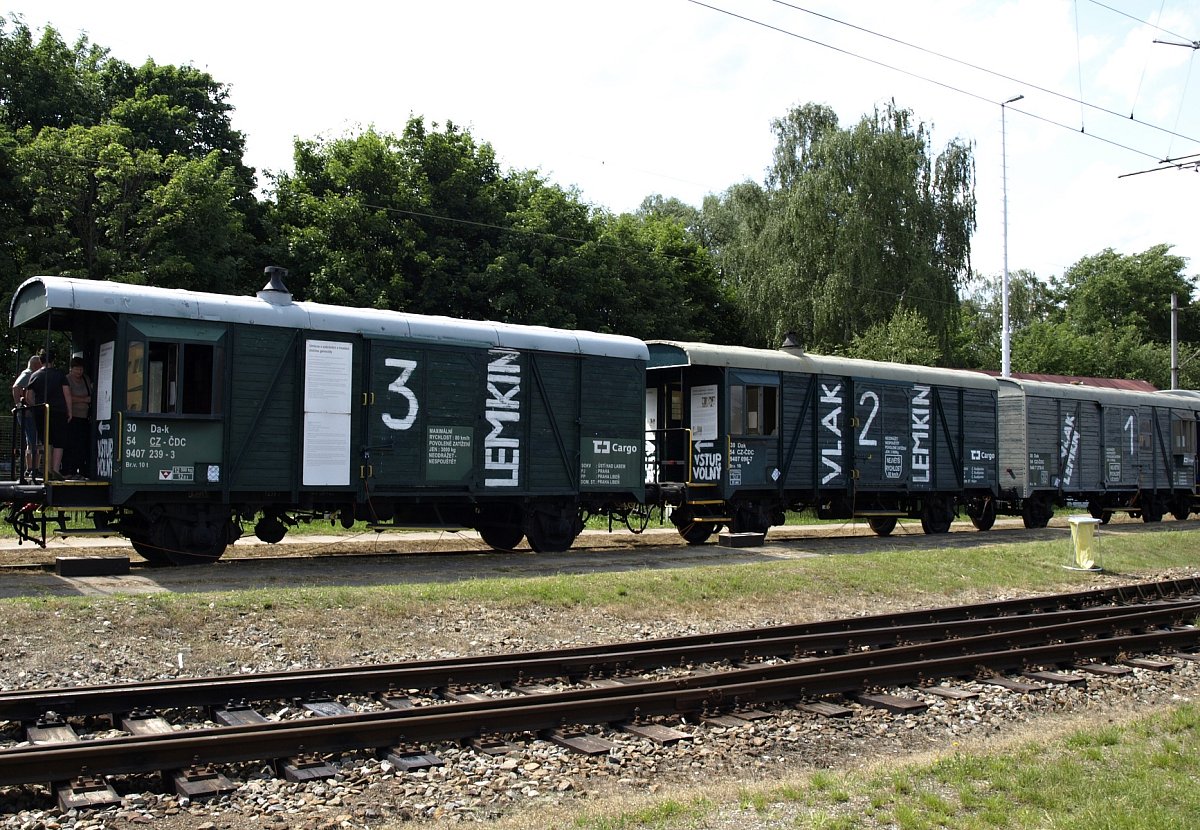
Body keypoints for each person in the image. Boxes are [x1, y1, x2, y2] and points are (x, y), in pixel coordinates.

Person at [25, 354, 73, 480]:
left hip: (42, 412)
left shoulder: (34, 375)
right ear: (53, 361)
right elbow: (67, 393)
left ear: (40, 361)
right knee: (59, 441)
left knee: (46, 440)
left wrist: (36, 407)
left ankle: (46, 469)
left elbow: (28, 396)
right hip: (58, 411)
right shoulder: (59, 375)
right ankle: (55, 469)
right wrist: (70, 410)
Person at [11, 354, 41, 478]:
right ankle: (32, 469)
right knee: (33, 440)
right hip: (27, 413)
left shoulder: (30, 374)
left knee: (32, 441)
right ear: (36, 365)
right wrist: (19, 405)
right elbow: (16, 386)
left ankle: (32, 468)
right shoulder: (28, 373)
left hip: (29, 412)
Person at [64, 356, 93, 478]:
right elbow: (67, 396)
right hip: (72, 416)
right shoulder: (67, 379)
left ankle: (81, 470)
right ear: (71, 369)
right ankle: (68, 470)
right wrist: (84, 399)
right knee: (71, 444)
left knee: (82, 444)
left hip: (84, 417)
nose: (79, 372)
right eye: (76, 369)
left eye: (81, 369)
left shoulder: (86, 379)